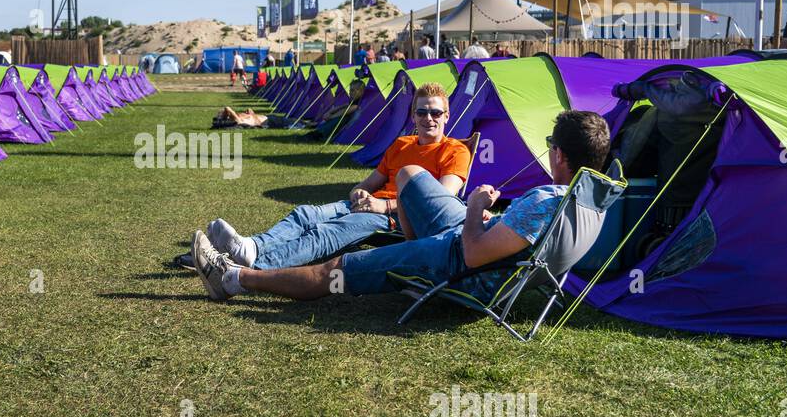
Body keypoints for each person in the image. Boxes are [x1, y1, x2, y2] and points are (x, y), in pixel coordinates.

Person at [193, 110, 611, 304]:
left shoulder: (543, 200)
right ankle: (408, 249)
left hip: (458, 263)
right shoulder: (590, 199)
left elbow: (472, 253)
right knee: (409, 173)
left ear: (559, 155)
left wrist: (474, 211)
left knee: (336, 268)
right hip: (479, 247)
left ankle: (234, 278)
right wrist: (487, 219)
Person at [200, 83, 472, 272]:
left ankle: (251, 265)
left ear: (447, 116)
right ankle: (250, 248)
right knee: (305, 214)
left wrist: (385, 206)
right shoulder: (402, 144)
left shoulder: (455, 151)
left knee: (327, 232)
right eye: (422, 112)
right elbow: (369, 183)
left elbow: (439, 203)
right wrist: (359, 192)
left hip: (399, 220)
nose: (429, 118)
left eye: (435, 112)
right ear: (413, 115)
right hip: (369, 205)